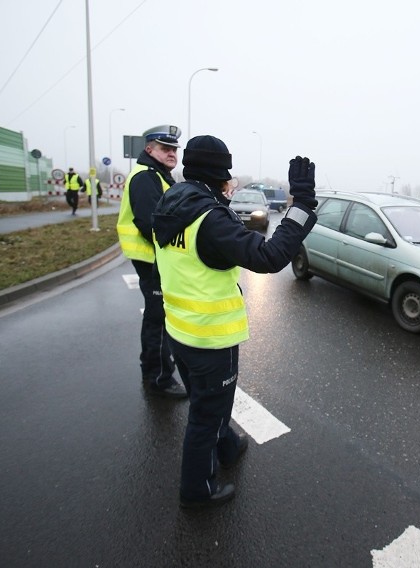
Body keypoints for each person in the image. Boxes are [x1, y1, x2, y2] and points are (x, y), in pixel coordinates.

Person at [152, 135, 318, 508]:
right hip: (211, 339)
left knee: (205, 400)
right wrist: (302, 206)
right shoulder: (209, 218)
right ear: (217, 173)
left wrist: (221, 201)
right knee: (206, 417)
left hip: (180, 329)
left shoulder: (170, 203)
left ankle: (227, 445)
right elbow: (269, 256)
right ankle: (197, 491)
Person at [116, 125, 188, 399]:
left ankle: (155, 371)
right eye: (165, 148)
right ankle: (159, 378)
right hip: (152, 259)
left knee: (158, 317)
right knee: (158, 320)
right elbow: (150, 223)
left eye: (174, 149)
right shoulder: (146, 177)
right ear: (149, 150)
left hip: (156, 258)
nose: (171, 153)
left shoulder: (160, 176)